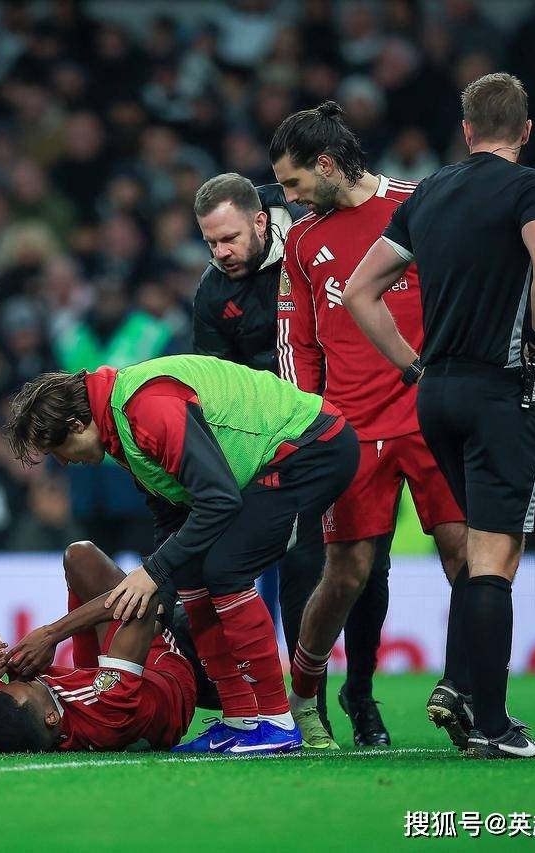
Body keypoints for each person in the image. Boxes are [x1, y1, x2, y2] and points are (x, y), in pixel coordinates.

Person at [345, 73, 535, 759]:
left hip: (434, 395)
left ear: (467, 130)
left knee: (477, 549)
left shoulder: (428, 192)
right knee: (496, 557)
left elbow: (360, 291)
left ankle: (462, 687)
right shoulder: (534, 188)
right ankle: (492, 726)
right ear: (526, 130)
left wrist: (412, 366)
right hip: (500, 391)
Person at [5, 354, 358, 754]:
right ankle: (241, 720)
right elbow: (171, 516)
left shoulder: (147, 409)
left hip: (311, 447)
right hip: (276, 459)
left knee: (226, 570)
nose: (65, 463)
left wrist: (153, 572)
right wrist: (163, 593)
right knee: (191, 574)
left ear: (75, 424)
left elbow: (220, 499)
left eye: (59, 450)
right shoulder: (118, 425)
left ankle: (276, 722)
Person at [268, 104, 468, 750]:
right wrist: (307, 424)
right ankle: (304, 698)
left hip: (430, 415)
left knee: (465, 558)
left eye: (295, 182)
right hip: (351, 429)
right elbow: (296, 343)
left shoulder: (422, 203)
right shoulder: (302, 242)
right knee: (347, 572)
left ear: (327, 164)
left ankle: (473, 697)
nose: (290, 198)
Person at [192, 170, 394, 746]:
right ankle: (310, 709)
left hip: (350, 423)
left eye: (230, 239)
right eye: (210, 242)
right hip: (279, 448)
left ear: (261, 222)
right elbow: (216, 387)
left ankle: (360, 692)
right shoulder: (213, 293)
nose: (220, 253)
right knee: (305, 566)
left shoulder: (309, 245)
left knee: (369, 568)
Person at [0, 540, 217, 753]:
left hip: (105, 683)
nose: (25, 676)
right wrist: (52, 634)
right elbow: (142, 602)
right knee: (81, 556)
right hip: (164, 679)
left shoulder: (24, 710)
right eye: (30, 684)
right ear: (51, 718)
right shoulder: (109, 703)